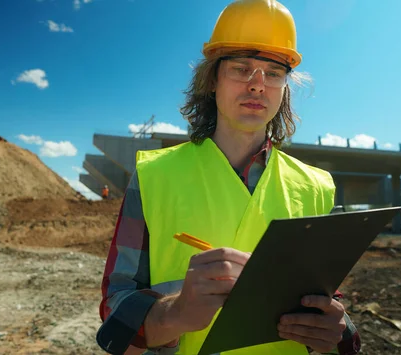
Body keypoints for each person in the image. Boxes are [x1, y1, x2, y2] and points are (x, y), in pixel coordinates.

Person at [97, 0, 361, 354]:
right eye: (241, 68)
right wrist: (176, 313)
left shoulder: (315, 187)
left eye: (273, 73)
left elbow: (328, 299)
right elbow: (115, 312)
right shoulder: (154, 176)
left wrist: (339, 331)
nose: (257, 85)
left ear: (284, 90)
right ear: (212, 81)